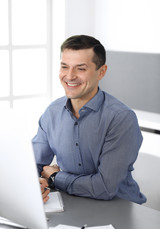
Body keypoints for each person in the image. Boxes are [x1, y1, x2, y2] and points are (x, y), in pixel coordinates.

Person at [32, 35, 146, 204]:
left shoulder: (121, 118)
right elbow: (33, 165)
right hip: (74, 204)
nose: (69, 76)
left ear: (101, 72)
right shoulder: (52, 112)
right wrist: (36, 184)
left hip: (119, 209)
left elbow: (105, 187)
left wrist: (56, 177)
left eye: (81, 69)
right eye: (65, 67)